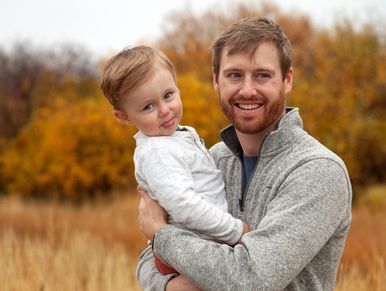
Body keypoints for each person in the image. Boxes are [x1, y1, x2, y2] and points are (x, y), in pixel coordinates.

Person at [136, 17, 352, 290]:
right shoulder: (210, 159)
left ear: (287, 80)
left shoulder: (317, 171)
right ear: (216, 80)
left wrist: (160, 234)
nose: (247, 90)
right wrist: (170, 287)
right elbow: (146, 259)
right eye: (235, 75)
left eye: (262, 75)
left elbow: (251, 278)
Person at [100, 45, 250, 275]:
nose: (164, 110)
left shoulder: (174, 137)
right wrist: (236, 231)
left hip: (201, 245)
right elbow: (184, 205)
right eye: (148, 106)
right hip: (191, 251)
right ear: (124, 117)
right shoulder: (157, 152)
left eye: (168, 95)